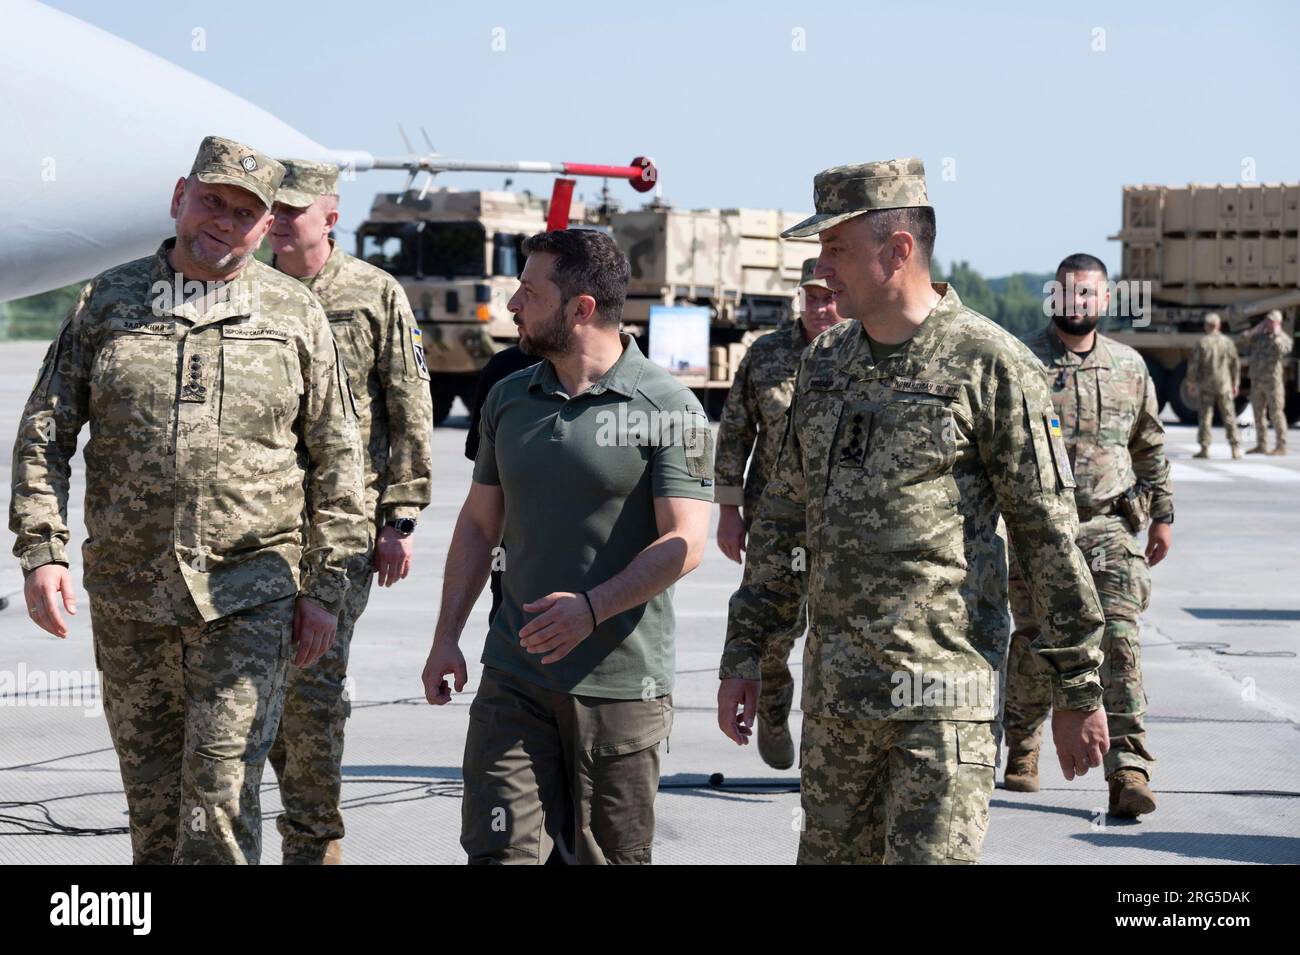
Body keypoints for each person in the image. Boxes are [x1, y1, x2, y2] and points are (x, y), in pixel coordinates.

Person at [717, 159, 1108, 864]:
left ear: (898, 250)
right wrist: (750, 652)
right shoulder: (826, 361)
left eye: (836, 249)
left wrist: (1078, 684)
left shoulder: (993, 365)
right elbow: (781, 517)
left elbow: (1046, 533)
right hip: (838, 706)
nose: (822, 267)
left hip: (943, 704)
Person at [9, 136, 368, 864]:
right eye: (212, 201)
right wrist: (41, 550)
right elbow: (45, 431)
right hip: (131, 598)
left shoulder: (294, 315)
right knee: (154, 809)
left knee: (218, 801)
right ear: (180, 198)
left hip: (249, 596)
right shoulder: (108, 302)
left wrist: (326, 590)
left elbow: (340, 461)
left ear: (267, 226)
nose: (224, 221)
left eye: (245, 212)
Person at [422, 228, 713, 864]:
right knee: (498, 851)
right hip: (513, 675)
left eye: (529, 291)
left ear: (580, 308)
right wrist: (447, 637)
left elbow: (687, 542)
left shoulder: (671, 407)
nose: (513, 305)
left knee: (608, 858)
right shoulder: (507, 397)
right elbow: (478, 525)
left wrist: (591, 607)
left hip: (618, 689)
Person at [265, 158, 434, 864]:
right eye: (270, 208)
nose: (275, 220)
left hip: (340, 529)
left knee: (311, 688)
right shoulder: (252, 291)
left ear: (330, 215)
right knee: (252, 687)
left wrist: (399, 519)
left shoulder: (373, 294)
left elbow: (409, 405)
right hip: (255, 524)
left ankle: (315, 844)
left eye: (292, 210)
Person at [1003, 253, 1173, 818]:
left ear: (1106, 300)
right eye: (1069, 293)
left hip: (1108, 527)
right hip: (1039, 530)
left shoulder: (1129, 366)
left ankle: (1127, 767)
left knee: (1118, 637)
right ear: (1055, 297)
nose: (1079, 304)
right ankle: (1022, 745)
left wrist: (1162, 513)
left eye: (1090, 294)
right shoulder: (1021, 361)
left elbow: (1149, 443)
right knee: (1035, 639)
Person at [714, 257, 846, 769]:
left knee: (835, 638)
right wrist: (728, 511)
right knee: (770, 632)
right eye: (812, 297)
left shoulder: (864, 353)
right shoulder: (767, 354)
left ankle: (829, 748)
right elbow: (734, 432)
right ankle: (771, 709)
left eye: (830, 296)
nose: (821, 307)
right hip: (774, 520)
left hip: (844, 524)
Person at [464, 344, 537, 623]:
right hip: (508, 546)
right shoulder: (505, 367)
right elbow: (482, 460)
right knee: (505, 618)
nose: (514, 306)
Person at [1187, 312, 1241, 459]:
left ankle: (1205, 448)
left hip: (1206, 386)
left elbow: (1194, 365)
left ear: (1206, 326)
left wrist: (1191, 382)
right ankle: (1234, 448)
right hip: (1224, 384)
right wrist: (1235, 383)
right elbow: (1235, 364)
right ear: (1218, 325)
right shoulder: (1228, 342)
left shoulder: (1202, 343)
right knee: (1229, 416)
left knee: (1205, 417)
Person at [1243, 309, 1292, 456]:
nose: (1268, 324)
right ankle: (1261, 445)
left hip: (1273, 383)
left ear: (1278, 323)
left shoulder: (1283, 338)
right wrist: (1256, 329)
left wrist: (1276, 334)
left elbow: (1284, 350)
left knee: (1276, 414)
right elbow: (1244, 339)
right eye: (1267, 321)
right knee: (1258, 415)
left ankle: (1281, 446)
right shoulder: (1260, 337)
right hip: (1257, 382)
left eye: (1271, 321)